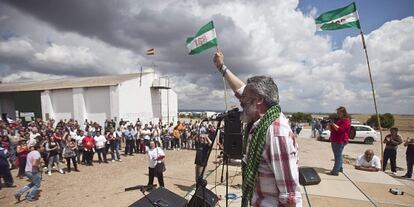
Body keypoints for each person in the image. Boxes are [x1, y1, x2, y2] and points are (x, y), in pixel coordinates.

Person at [213, 52, 301, 207]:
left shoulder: (276, 133)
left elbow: (290, 196)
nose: (241, 101)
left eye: (244, 98)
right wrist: (222, 68)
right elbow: (240, 89)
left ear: (259, 100)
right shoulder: (262, 121)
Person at [327, 106, 351, 176]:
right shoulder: (338, 120)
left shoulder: (346, 120)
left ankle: (335, 171)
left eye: (339, 113)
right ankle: (339, 168)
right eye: (337, 112)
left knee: (337, 156)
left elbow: (340, 130)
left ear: (343, 113)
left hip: (340, 140)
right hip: (335, 139)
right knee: (338, 155)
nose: (337, 114)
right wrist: (330, 125)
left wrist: (333, 124)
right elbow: (332, 129)